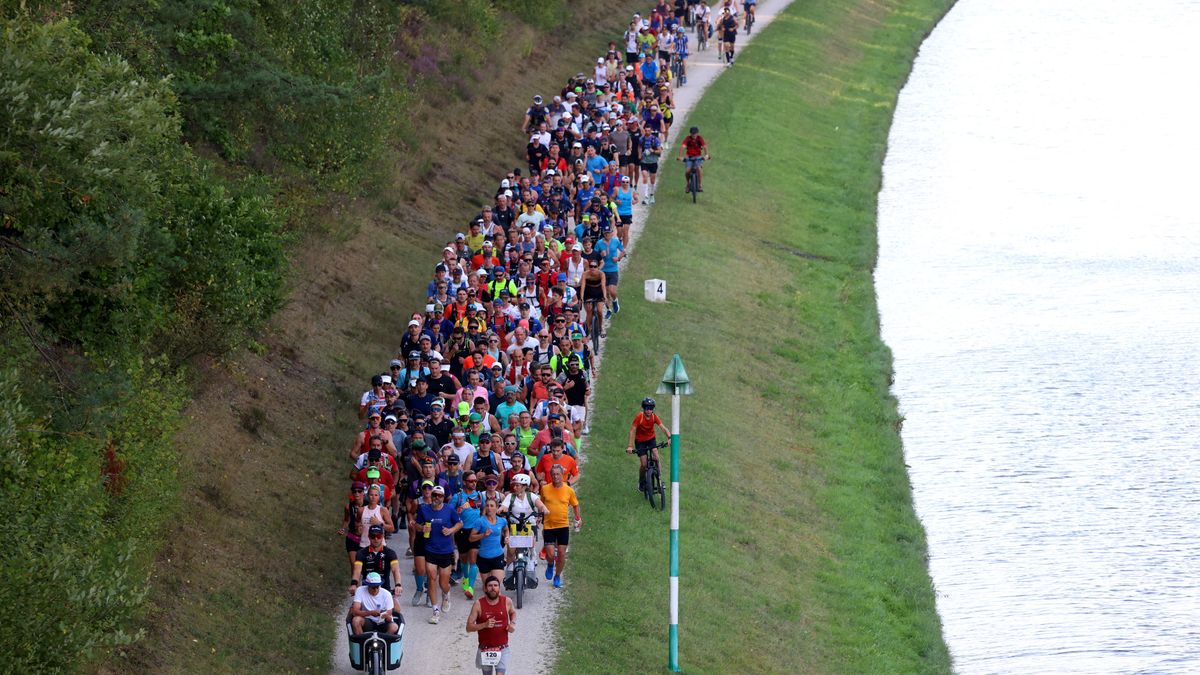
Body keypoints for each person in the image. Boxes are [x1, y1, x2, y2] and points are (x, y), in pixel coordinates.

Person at [416, 485, 463, 624]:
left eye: (440, 495)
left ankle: (446, 594)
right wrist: (422, 528)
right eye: (434, 495)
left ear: (444, 497)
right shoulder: (424, 509)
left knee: (443, 583)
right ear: (431, 496)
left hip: (446, 550)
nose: (437, 497)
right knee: (431, 578)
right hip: (430, 549)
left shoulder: (449, 509)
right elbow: (416, 525)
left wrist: (451, 530)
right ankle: (435, 611)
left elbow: (460, 523)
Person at [540, 465, 581, 588]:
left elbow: (575, 505)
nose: (555, 477)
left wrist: (578, 518)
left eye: (558, 474)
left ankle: (557, 576)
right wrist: (538, 516)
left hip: (563, 526)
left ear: (562, 475)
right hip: (549, 525)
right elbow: (541, 503)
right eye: (553, 474)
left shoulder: (568, 490)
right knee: (550, 554)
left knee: (562, 554)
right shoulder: (545, 489)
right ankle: (550, 564)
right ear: (550, 475)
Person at [465, 576, 516, 675]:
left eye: (495, 585)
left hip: (502, 648)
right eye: (490, 586)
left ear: (499, 588)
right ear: (485, 588)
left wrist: (513, 623)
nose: (493, 588)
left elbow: (513, 612)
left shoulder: (507, 601)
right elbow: (468, 627)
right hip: (485, 649)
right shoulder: (478, 604)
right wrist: (484, 625)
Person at [626, 397, 671, 491]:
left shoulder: (654, 417)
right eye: (647, 408)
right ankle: (641, 481)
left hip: (651, 439)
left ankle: (659, 480)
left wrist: (669, 437)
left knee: (656, 457)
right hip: (640, 441)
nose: (649, 410)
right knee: (643, 464)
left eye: (651, 408)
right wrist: (630, 446)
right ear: (643, 408)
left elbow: (663, 427)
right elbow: (632, 430)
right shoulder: (640, 417)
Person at [469, 497, 508, 589]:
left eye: (491, 505)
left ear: (496, 507)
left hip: (498, 556)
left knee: (495, 586)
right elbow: (471, 538)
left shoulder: (502, 521)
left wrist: (507, 537)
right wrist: (483, 535)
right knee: (487, 588)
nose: (489, 508)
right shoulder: (480, 521)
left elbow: (506, 529)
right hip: (484, 558)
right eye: (487, 506)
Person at [596, 227, 627, 318]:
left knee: (612, 290)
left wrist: (618, 258)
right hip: (603, 271)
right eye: (605, 233)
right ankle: (609, 310)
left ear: (612, 233)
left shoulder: (616, 241)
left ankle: (615, 301)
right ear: (603, 234)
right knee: (605, 292)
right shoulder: (599, 243)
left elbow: (623, 251)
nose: (607, 234)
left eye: (608, 233)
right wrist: (600, 255)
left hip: (613, 270)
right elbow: (594, 255)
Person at [677, 126, 709, 192]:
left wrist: (706, 155)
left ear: (697, 133)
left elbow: (704, 146)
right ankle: (688, 184)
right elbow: (682, 146)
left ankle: (700, 185)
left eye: (695, 133)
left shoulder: (700, 138)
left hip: (698, 157)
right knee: (687, 171)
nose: (694, 135)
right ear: (690, 133)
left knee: (699, 169)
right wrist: (680, 156)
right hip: (689, 156)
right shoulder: (688, 138)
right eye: (692, 133)